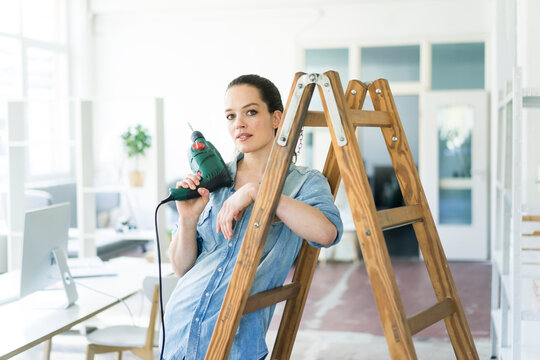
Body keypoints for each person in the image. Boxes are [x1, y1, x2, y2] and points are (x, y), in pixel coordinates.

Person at [163, 74, 343, 360]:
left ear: (276, 118)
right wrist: (187, 219)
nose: (239, 124)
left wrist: (259, 193)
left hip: (236, 343)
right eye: (230, 116)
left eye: (251, 112)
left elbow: (326, 233)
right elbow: (181, 268)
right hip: (179, 332)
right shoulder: (214, 179)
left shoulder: (303, 183)